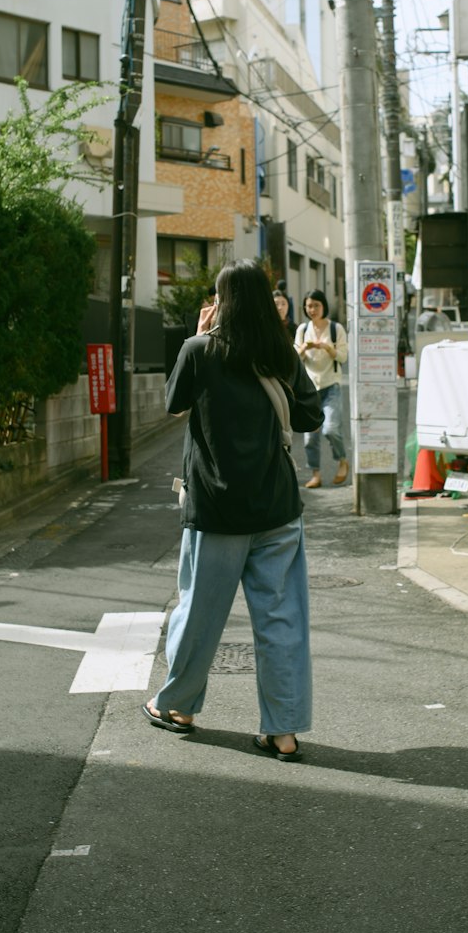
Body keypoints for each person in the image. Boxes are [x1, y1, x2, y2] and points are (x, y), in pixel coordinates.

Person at [143, 259, 322, 762]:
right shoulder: (280, 355)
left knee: (198, 612)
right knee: (281, 620)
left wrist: (193, 337)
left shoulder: (201, 351)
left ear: (221, 302)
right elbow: (311, 414)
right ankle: (283, 731)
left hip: (216, 509)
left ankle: (177, 706)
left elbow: (173, 402)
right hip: (277, 509)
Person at [295, 289, 349, 488]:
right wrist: (304, 349)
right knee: (310, 437)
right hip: (309, 389)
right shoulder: (302, 330)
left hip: (331, 385)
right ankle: (315, 473)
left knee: (331, 428)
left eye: (316, 305)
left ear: (324, 306)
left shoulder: (336, 329)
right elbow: (296, 360)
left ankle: (342, 460)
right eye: (309, 305)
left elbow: (343, 357)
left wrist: (326, 347)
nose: (312, 309)